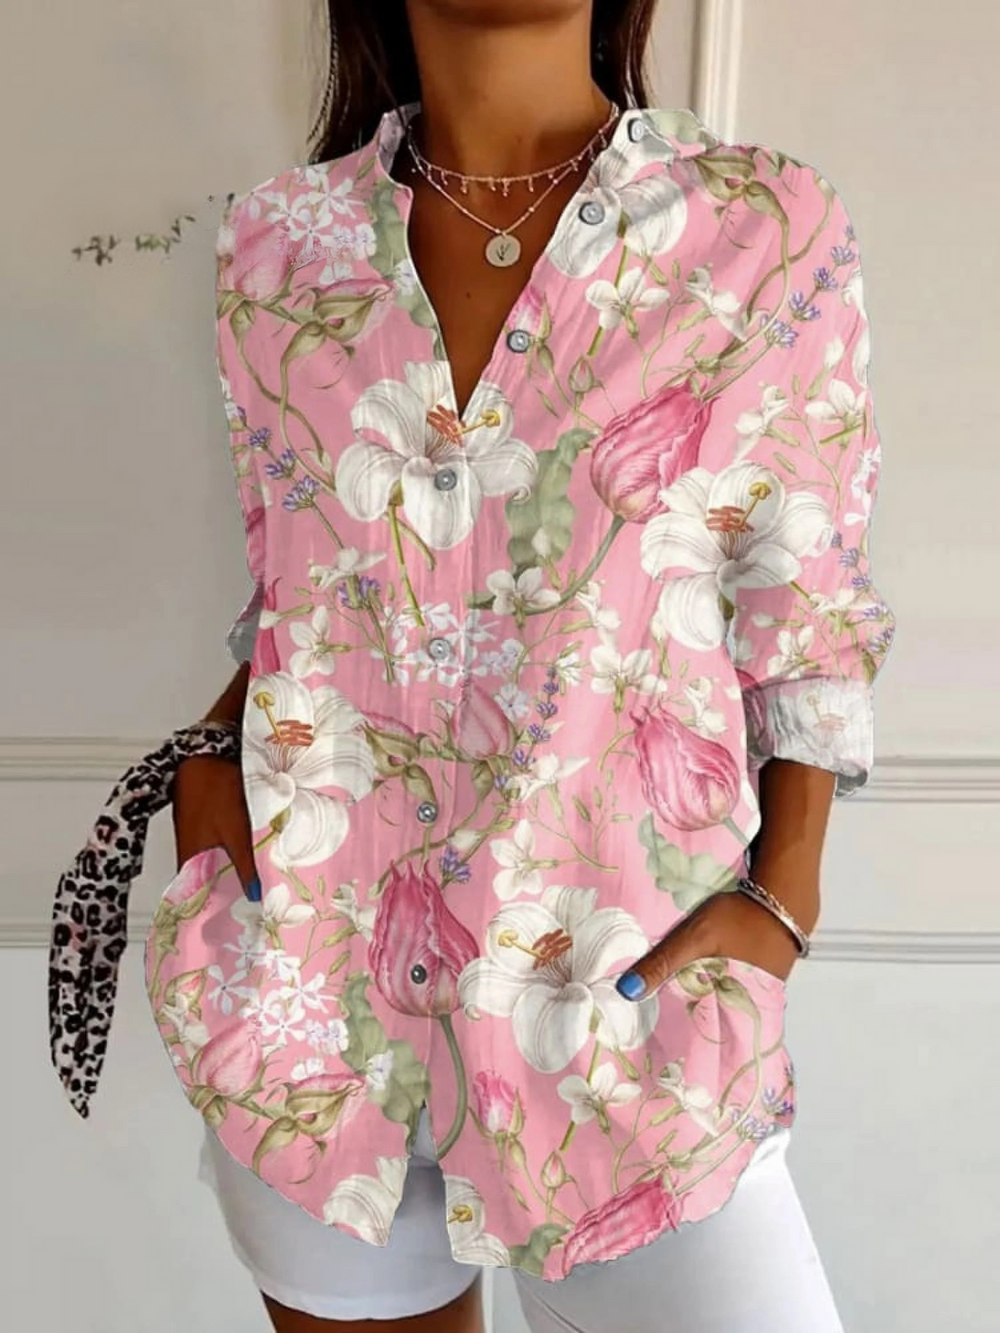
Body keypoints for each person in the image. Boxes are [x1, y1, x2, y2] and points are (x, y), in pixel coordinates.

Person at [166, 1, 895, 1329]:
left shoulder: (760, 229)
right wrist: (208, 774)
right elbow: (301, 577)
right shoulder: (277, 246)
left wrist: (784, 896)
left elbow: (806, 601)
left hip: (624, 1003)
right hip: (311, 1005)